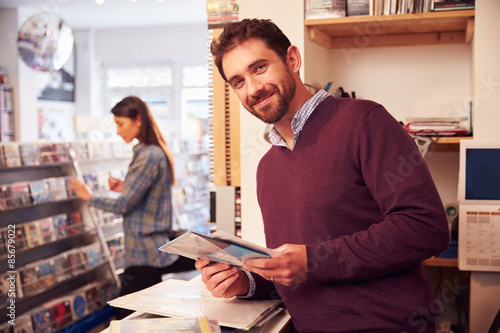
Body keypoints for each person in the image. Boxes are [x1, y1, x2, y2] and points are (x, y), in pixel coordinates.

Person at [195, 19, 450, 332]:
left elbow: (426, 228)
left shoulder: (365, 121)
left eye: (260, 67)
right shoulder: (266, 169)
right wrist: (244, 281)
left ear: (292, 59)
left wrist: (313, 261)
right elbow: (293, 272)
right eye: (238, 81)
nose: (253, 88)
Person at [69, 96, 195, 319]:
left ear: (138, 120)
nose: (118, 131)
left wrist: (89, 197)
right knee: (146, 313)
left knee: (125, 316)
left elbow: (123, 205)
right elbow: (148, 195)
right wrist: (125, 186)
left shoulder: (148, 155)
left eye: (120, 124)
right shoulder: (152, 151)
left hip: (144, 251)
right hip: (149, 248)